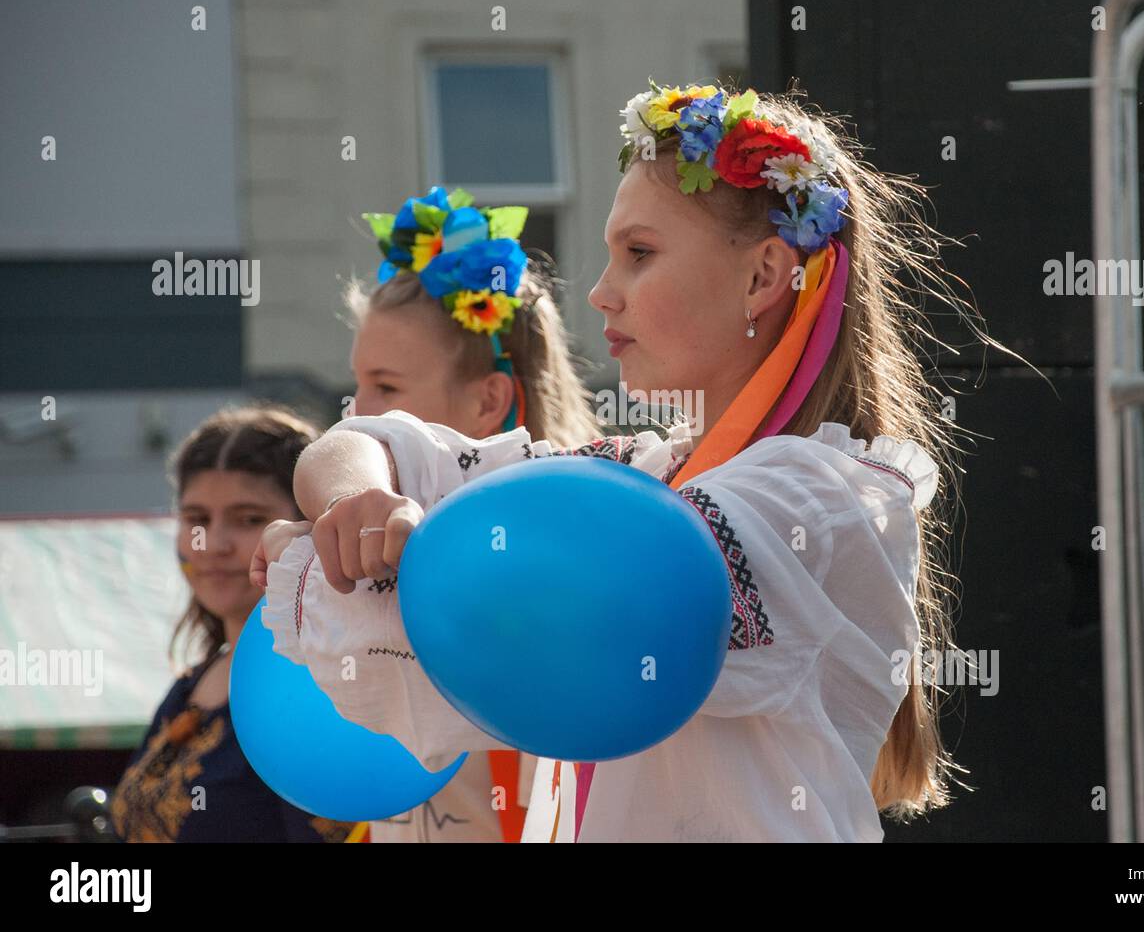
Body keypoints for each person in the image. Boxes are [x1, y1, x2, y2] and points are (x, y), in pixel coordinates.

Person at [256, 82, 991, 840]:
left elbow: (570, 605)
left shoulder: (818, 500)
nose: (602, 295)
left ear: (763, 277)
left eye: (639, 254)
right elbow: (380, 447)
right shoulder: (644, 475)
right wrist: (356, 500)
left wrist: (318, 562)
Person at [292, 186, 603, 843]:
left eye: (387, 387)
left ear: (490, 401)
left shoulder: (560, 558)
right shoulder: (369, 556)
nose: (359, 410)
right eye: (358, 384)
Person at [109, 405, 357, 842]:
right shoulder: (191, 686)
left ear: (308, 528)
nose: (214, 544)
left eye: (249, 520)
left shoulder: (322, 690)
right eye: (197, 520)